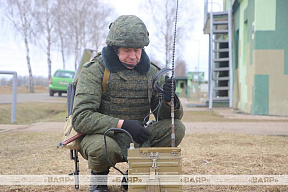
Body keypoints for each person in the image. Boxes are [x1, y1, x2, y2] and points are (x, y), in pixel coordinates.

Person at [72, 15, 185, 192]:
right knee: (101, 148)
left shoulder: (152, 72)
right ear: (115, 49)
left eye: (138, 50)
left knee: (176, 127)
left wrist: (169, 99)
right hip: (104, 136)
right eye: (127, 50)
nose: (133, 56)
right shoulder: (95, 70)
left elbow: (167, 117)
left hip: (139, 135)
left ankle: (134, 174)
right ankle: (99, 180)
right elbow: (81, 118)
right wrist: (122, 124)